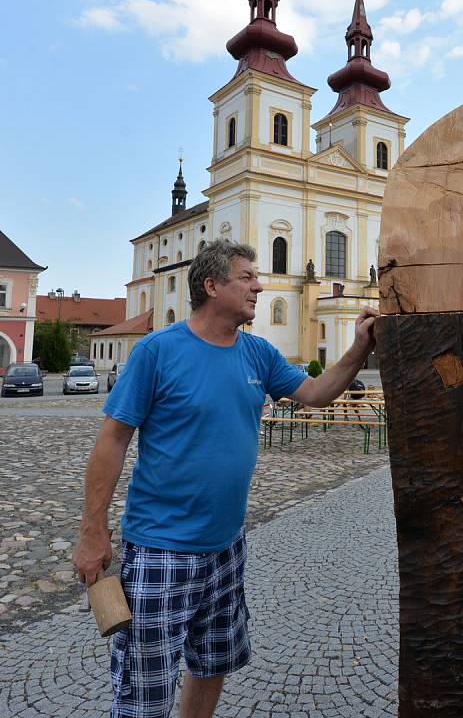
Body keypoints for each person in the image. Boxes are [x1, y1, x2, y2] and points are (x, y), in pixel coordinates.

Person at [72, 239, 378, 718]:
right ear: (211, 285)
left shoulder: (258, 353)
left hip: (226, 548)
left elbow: (316, 392)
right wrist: (93, 531)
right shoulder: (158, 351)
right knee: (145, 689)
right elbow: (111, 441)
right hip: (160, 549)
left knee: (212, 664)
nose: (259, 285)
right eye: (247, 277)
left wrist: (359, 348)